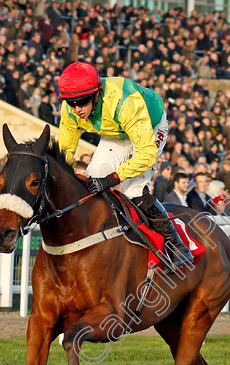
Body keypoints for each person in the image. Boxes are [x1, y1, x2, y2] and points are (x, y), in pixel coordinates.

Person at [57, 61, 193, 267]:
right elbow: (66, 151)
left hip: (150, 126)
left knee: (134, 192)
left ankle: (178, 245)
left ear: (96, 94)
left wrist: (112, 178)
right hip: (116, 133)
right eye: (71, 102)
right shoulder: (69, 111)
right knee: (90, 182)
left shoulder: (124, 101)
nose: (77, 109)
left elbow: (146, 154)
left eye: (82, 102)